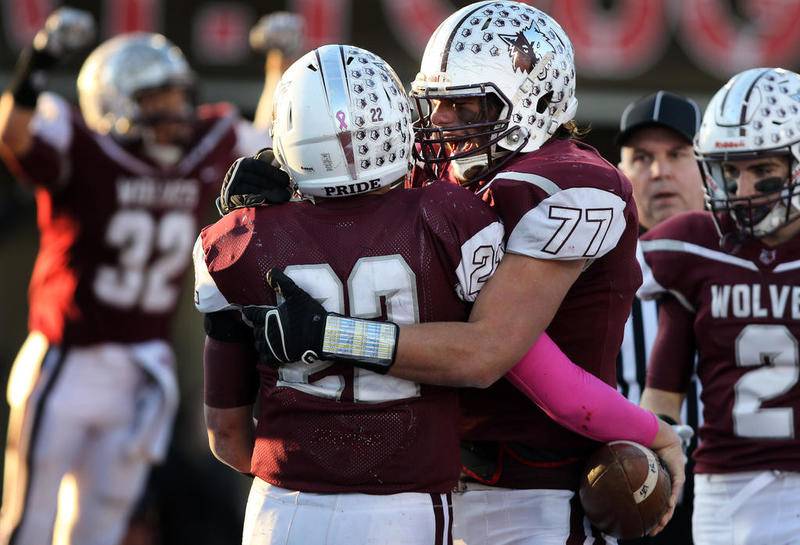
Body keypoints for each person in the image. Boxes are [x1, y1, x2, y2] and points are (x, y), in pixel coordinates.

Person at [226, 2, 685, 543]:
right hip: (423, 481)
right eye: (436, 103)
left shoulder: (573, 187)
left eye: (466, 106)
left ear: (534, 101)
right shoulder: (433, 174)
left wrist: (329, 334)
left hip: (532, 489)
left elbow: (489, 353)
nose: (441, 121)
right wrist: (282, 206)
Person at [0, 7, 277, 545]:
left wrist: (276, 63)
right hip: (66, 356)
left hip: (144, 365)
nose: (176, 113)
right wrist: (40, 59)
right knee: (27, 520)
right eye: (157, 101)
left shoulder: (199, 147)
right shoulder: (86, 148)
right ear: (115, 104)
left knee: (104, 522)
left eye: (178, 97)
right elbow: (14, 133)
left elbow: (263, 138)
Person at [638, 67, 800, 545]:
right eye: (730, 172)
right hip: (724, 490)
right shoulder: (693, 245)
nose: (743, 190)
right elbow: (662, 395)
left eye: (763, 172)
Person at [615, 91, 704, 545]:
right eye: (642, 157)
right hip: (632, 484)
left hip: (730, 479)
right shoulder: (597, 270)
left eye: (677, 154)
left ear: (708, 165)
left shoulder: (754, 261)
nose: (660, 171)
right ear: (621, 174)